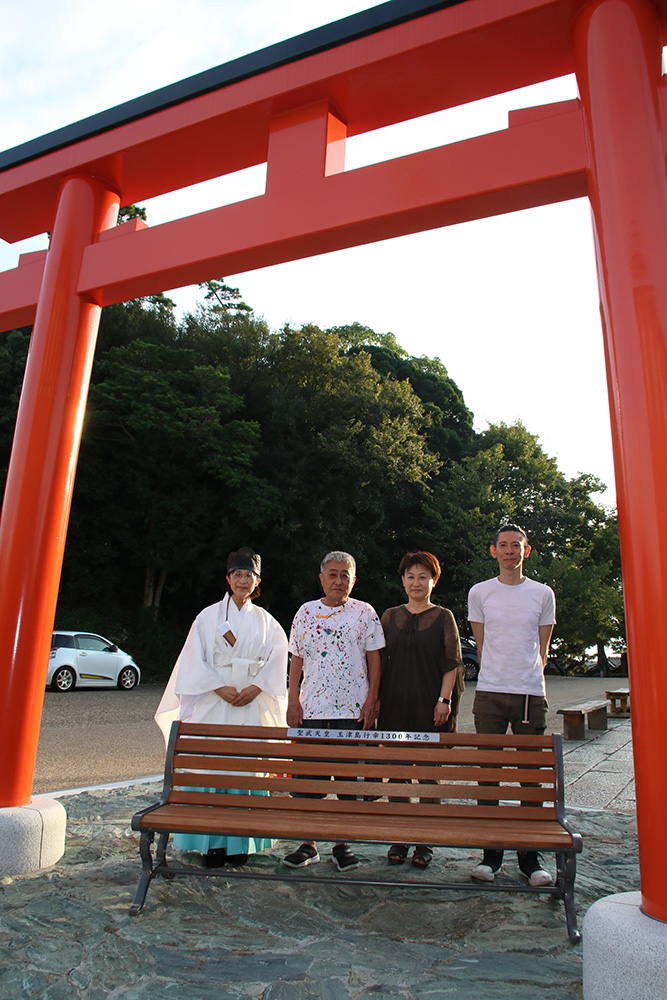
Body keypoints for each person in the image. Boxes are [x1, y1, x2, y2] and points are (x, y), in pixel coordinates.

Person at [154, 547, 288, 868]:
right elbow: (192, 658)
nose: (243, 580)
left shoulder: (267, 622)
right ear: (228, 579)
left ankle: (240, 842)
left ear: (258, 582)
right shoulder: (207, 617)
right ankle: (210, 843)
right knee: (210, 767)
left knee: (244, 769)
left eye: (249, 575)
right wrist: (218, 686)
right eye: (238, 574)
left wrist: (256, 687)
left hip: (251, 701)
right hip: (214, 697)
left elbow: (277, 659)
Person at [283, 550, 385, 872]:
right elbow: (296, 659)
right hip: (311, 709)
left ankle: (342, 843)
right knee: (308, 783)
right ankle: (309, 843)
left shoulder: (365, 613)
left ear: (353, 580)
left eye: (345, 575)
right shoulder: (305, 613)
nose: (338, 581)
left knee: (347, 783)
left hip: (353, 711)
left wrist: (371, 700)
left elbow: (375, 659)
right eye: (333, 574)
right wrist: (292, 699)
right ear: (321, 578)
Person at [467, 523, 556, 886]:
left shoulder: (543, 593)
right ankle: (491, 857)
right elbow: (482, 643)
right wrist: (499, 674)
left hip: (529, 695)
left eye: (515, 545)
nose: (508, 551)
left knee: (529, 781)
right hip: (489, 692)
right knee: (489, 777)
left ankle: (530, 858)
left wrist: (525, 678)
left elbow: (543, 647)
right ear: (493, 551)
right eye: (502, 545)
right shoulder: (480, 592)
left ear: (526, 550)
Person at [378, 551, 464, 868]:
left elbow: (452, 663)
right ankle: (400, 836)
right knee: (398, 776)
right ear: (403, 580)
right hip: (395, 707)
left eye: (423, 576)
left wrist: (444, 700)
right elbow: (377, 661)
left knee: (429, 777)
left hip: (431, 708)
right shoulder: (389, 616)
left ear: (433, 581)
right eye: (411, 576)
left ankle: (425, 839)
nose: (416, 582)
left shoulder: (443, 617)